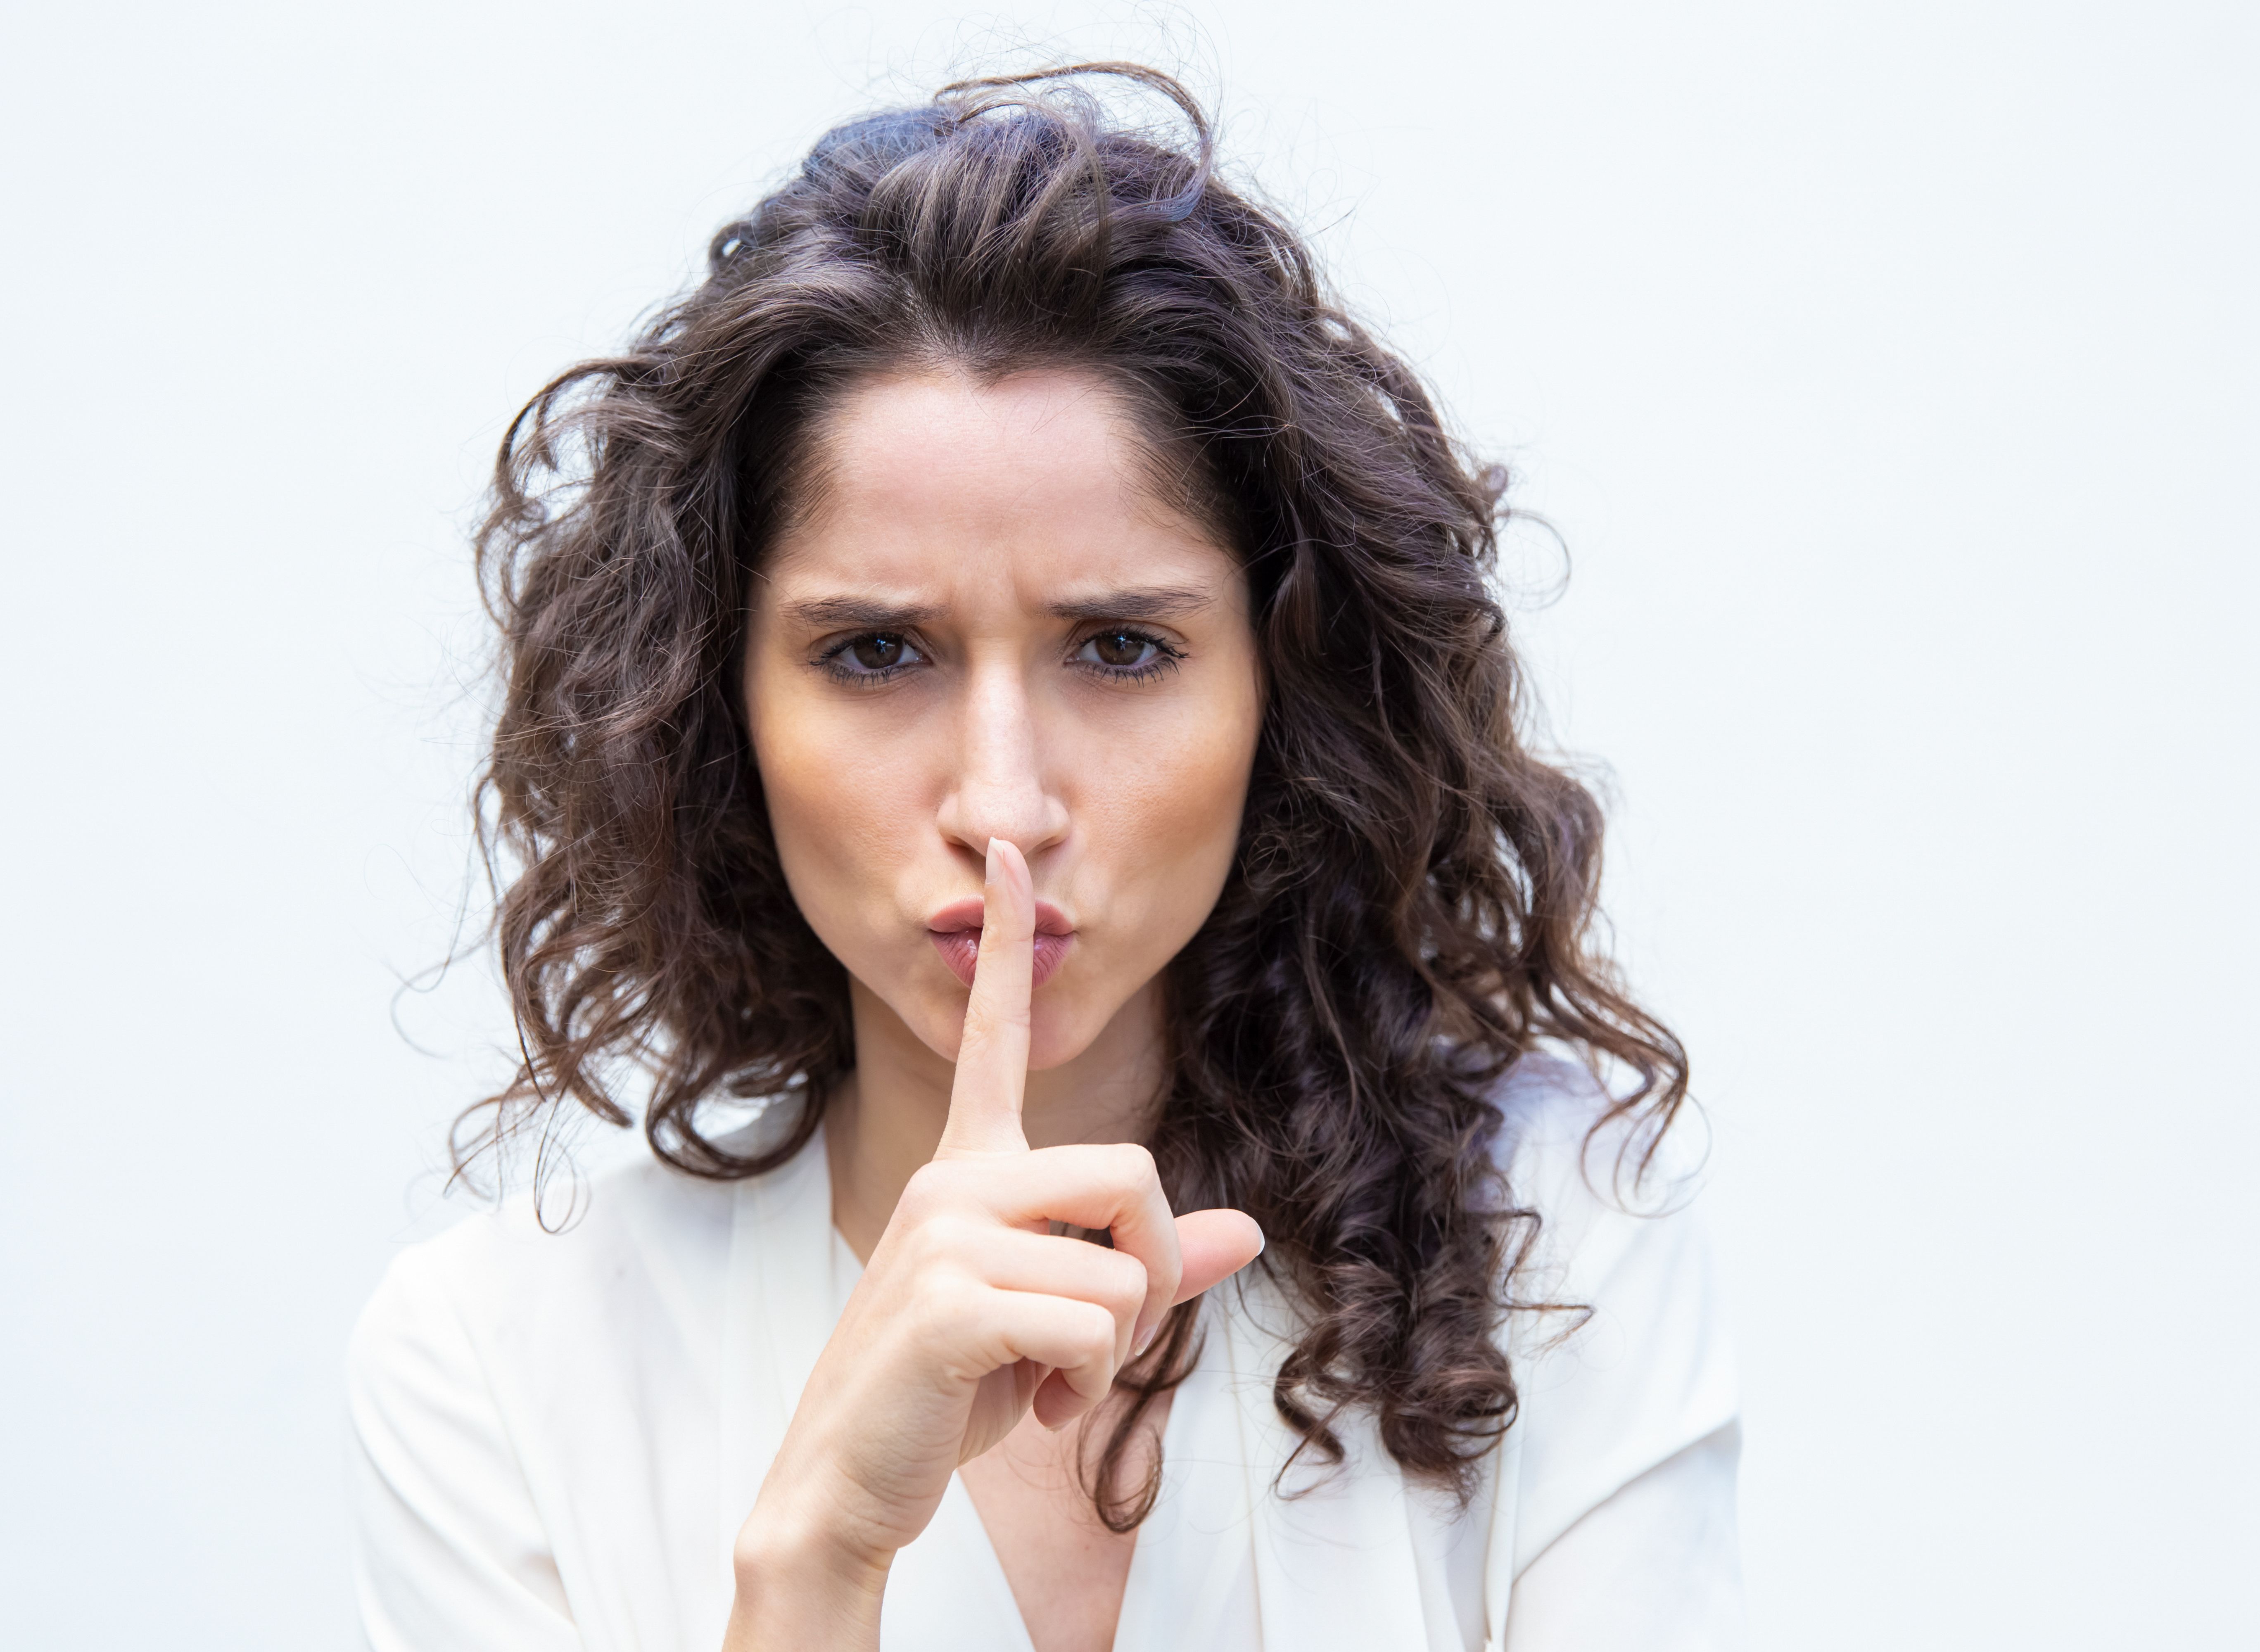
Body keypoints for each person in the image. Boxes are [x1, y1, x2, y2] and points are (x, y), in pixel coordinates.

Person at [347, 62, 1742, 1652]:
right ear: (711, 704)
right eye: (876, 653)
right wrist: (815, 1560)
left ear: (1286, 688)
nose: (1004, 806)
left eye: (1122, 649)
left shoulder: (1557, 1231)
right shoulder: (493, 1367)